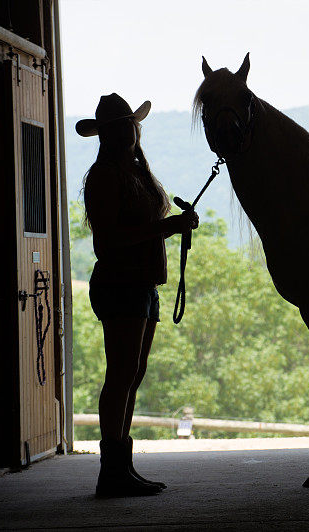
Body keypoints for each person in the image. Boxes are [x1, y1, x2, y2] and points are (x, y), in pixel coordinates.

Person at [77, 94, 198, 498]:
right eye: (120, 125)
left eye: (130, 123)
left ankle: (120, 467)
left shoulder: (131, 173)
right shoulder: (106, 177)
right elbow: (109, 242)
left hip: (141, 285)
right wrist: (168, 228)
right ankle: (112, 469)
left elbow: (139, 227)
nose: (128, 130)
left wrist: (173, 224)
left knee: (132, 374)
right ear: (108, 134)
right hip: (121, 284)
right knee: (122, 376)